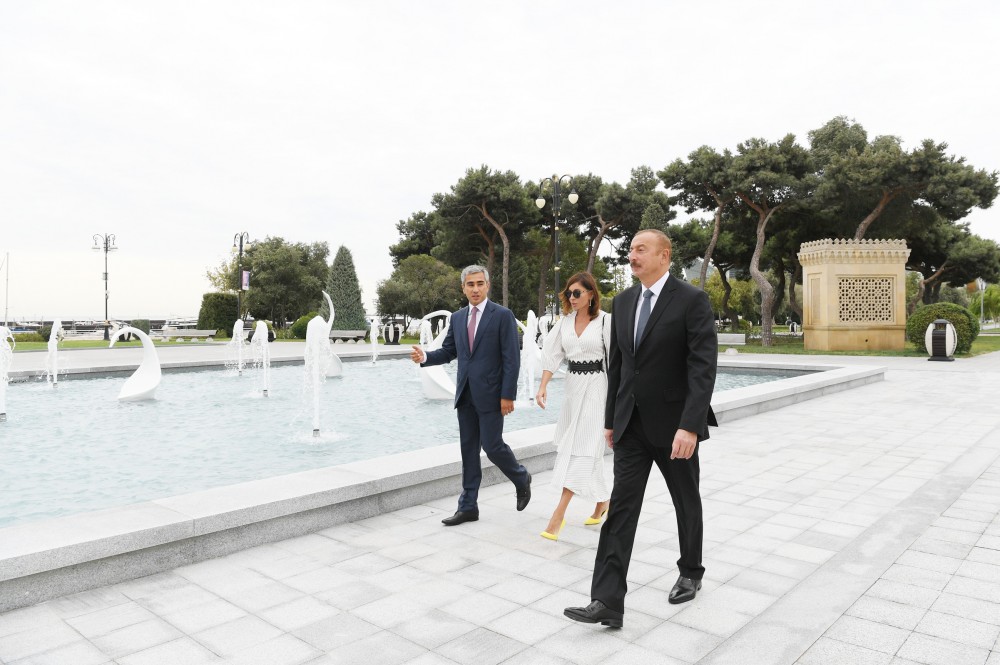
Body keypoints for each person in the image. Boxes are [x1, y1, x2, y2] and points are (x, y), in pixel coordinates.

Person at [564, 229, 718, 629]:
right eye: (630, 249)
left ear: (664, 256)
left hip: (674, 428)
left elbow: (702, 368)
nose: (632, 256)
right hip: (631, 426)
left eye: (640, 250)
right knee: (621, 510)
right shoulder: (624, 301)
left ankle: (691, 571)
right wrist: (611, 421)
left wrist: (690, 425)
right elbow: (619, 366)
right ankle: (607, 599)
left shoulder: (692, 300)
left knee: (686, 500)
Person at [410, 265, 532, 526]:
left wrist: (507, 394)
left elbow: (512, 359)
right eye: (470, 284)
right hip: (465, 394)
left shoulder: (502, 315)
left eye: (479, 284)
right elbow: (448, 351)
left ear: (487, 286)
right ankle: (468, 507)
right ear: (463, 287)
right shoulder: (457, 317)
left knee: (492, 446)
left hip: (492, 394)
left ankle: (521, 477)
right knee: (468, 452)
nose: (475, 289)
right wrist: (426, 357)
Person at [535, 272, 612, 541]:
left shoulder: (605, 322)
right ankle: (603, 501)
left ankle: (558, 515)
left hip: (597, 387)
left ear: (591, 294)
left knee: (582, 449)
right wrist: (543, 386)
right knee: (583, 447)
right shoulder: (565, 323)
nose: (572, 297)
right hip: (572, 387)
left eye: (577, 293)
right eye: (569, 293)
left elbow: (616, 360)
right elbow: (552, 354)